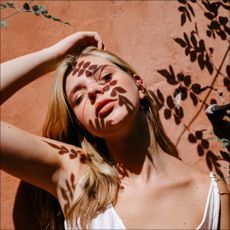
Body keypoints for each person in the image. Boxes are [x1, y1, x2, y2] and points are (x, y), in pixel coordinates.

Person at [1, 31, 229, 230]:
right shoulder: (75, 175)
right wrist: (54, 55)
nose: (93, 91)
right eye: (79, 98)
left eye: (106, 77)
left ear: (139, 85)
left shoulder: (209, 191)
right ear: (81, 122)